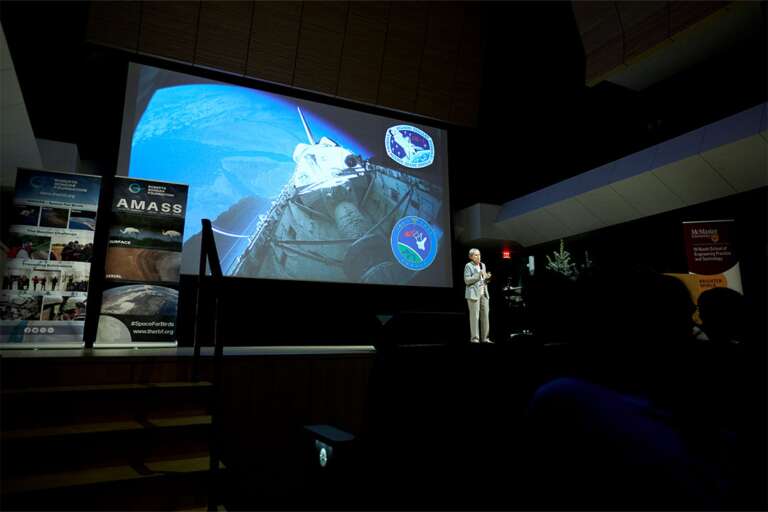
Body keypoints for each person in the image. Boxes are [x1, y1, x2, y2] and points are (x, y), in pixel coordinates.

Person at [464, 248, 492, 343]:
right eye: (476, 255)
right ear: (471, 257)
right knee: (474, 317)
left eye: (479, 254)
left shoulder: (483, 265)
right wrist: (478, 274)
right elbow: (467, 280)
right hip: (473, 295)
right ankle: (475, 339)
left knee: (485, 316)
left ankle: (485, 338)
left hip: (484, 293)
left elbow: (484, 280)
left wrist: (487, 278)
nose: (478, 256)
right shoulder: (468, 266)